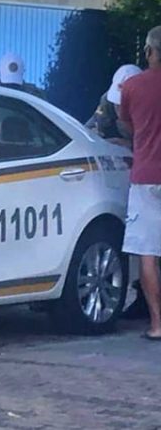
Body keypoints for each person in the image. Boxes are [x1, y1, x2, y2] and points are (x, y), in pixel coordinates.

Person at [118, 25, 161, 341]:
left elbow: (126, 126)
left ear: (149, 52)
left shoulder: (132, 86)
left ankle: (157, 324)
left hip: (145, 177)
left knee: (146, 254)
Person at [84, 64, 142, 146]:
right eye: (117, 104)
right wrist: (91, 134)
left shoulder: (153, 108)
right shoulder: (106, 102)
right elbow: (91, 124)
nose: (121, 109)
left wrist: (131, 145)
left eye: (127, 104)